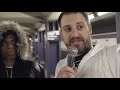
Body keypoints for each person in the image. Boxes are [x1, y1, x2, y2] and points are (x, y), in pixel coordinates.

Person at [55, 12, 120, 78]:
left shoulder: (115, 55)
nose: (75, 34)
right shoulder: (60, 66)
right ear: (62, 34)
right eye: (68, 29)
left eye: (80, 27)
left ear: (90, 28)